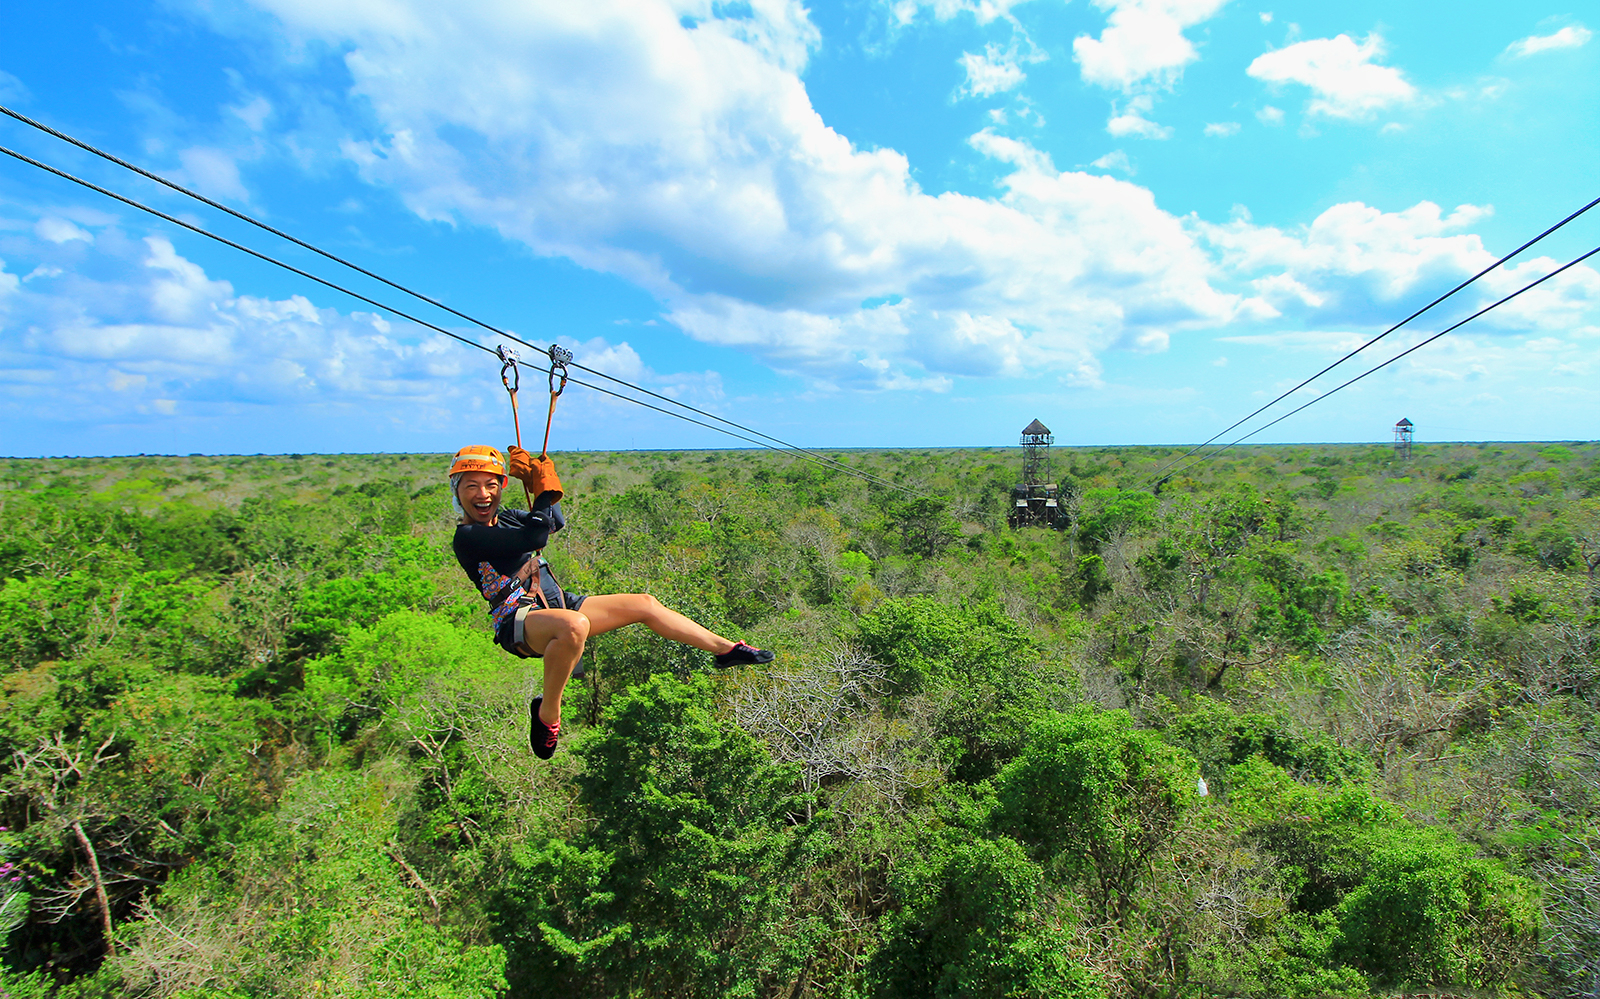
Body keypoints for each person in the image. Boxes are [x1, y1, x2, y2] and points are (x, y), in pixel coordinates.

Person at [448, 444, 773, 759]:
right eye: (472, 486)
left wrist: (540, 479)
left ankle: (726, 650)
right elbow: (534, 537)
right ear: (457, 491)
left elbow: (553, 522)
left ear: (501, 486)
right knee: (575, 625)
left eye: (491, 485)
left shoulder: (506, 518)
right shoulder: (467, 537)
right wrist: (541, 486)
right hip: (518, 622)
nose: (483, 494)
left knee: (644, 603)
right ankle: (547, 714)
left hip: (556, 603)